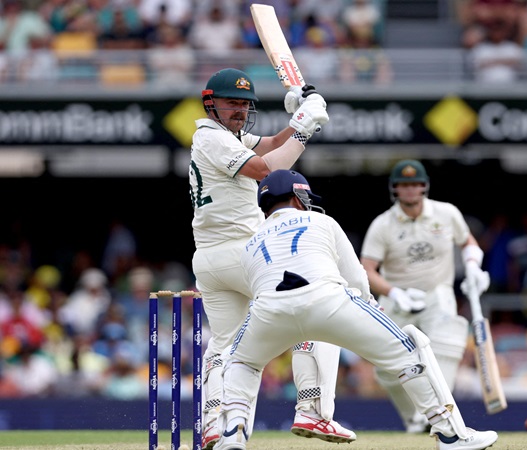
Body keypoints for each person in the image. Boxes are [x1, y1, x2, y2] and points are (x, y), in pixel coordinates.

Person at [211, 169, 498, 450]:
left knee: (241, 363)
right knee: (409, 351)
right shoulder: (322, 222)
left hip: (268, 310)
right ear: (299, 198)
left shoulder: (249, 244)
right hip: (327, 301)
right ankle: (450, 434)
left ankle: (232, 435)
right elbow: (357, 277)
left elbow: (260, 289)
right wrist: (372, 310)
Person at [188, 68, 355, 449]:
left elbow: (274, 144)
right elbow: (266, 169)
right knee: (317, 308)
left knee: (225, 343)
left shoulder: (228, 136)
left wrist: (300, 117)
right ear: (210, 102)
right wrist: (303, 127)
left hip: (211, 261)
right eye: (232, 103)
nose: (241, 110)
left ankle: (213, 423)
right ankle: (313, 411)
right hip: (243, 252)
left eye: (245, 104)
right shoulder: (211, 139)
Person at [359, 160, 491, 433]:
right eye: (404, 185)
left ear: (424, 186)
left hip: (436, 291)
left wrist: (474, 266)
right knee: (385, 367)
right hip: (397, 296)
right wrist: (394, 292)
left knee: (448, 337)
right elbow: (366, 270)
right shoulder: (382, 224)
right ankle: (414, 418)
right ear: (395, 189)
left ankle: (441, 412)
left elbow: (468, 242)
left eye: (415, 184)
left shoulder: (446, 213)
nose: (410, 190)